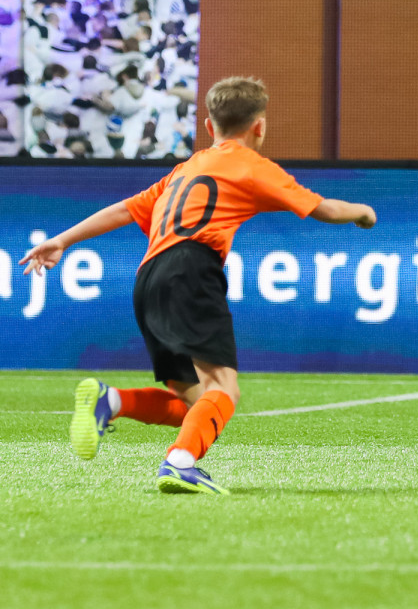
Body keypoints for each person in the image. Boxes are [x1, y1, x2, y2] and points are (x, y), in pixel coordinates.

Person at [20, 76, 376, 494]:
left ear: (209, 126)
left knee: (195, 401)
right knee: (224, 387)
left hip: (149, 278)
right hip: (191, 272)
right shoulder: (252, 166)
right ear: (259, 126)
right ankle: (180, 462)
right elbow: (324, 209)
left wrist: (63, 239)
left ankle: (110, 400)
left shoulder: (186, 169)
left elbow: (124, 209)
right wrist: (363, 211)